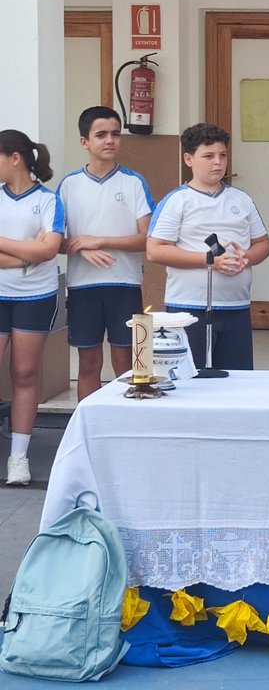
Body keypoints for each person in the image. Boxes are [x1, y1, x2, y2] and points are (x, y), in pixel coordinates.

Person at [146, 123, 269, 371]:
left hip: (236, 305)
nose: (218, 162)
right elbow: (155, 250)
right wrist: (209, 260)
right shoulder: (177, 201)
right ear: (189, 159)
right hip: (189, 306)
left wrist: (246, 258)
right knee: (191, 379)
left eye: (222, 155)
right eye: (209, 156)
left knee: (237, 380)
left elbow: (263, 244)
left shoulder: (242, 199)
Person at [57, 106, 154, 399]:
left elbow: (147, 239)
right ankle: (89, 421)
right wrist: (81, 247)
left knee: (129, 363)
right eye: (101, 135)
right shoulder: (69, 185)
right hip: (82, 286)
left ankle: (130, 419)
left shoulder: (134, 182)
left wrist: (98, 241)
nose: (110, 140)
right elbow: (55, 242)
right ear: (84, 142)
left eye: (115, 134)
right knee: (88, 363)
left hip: (125, 283)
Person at [0, 131, 64, 485]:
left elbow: (48, 250)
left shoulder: (49, 201)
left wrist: (18, 251)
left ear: (15, 158)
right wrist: (26, 255)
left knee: (25, 372)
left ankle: (19, 457)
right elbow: (37, 251)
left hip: (36, 297)